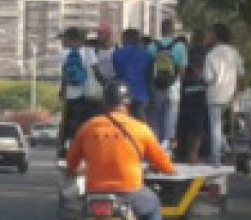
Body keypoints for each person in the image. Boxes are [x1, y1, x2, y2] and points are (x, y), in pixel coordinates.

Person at [66, 81, 176, 220]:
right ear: (127, 103)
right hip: (130, 191)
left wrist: (72, 169)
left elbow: (71, 161)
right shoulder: (140, 128)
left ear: (104, 103)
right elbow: (162, 162)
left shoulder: (87, 127)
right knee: (154, 206)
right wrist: (169, 169)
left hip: (94, 193)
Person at [202, 23, 244, 166]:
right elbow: (241, 73)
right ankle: (224, 147)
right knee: (223, 125)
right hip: (230, 93)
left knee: (215, 126)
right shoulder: (234, 52)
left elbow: (208, 78)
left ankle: (216, 158)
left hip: (215, 93)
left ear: (215, 36)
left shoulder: (211, 54)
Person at [59, 27, 102, 157]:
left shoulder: (64, 54)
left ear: (72, 39)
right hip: (88, 94)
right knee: (87, 122)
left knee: (71, 121)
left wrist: (62, 91)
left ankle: (69, 146)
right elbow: (96, 72)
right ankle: (88, 147)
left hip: (71, 95)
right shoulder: (89, 52)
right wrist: (104, 84)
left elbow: (64, 74)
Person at [148, 19, 188, 146]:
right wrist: (175, 81)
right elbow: (182, 70)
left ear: (161, 29)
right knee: (171, 115)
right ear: (173, 30)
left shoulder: (152, 46)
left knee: (155, 115)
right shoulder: (180, 46)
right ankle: (167, 144)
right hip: (173, 86)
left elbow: (149, 68)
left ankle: (155, 143)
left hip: (156, 85)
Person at [176, 29, 209, 163]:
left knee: (185, 123)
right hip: (201, 90)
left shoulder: (187, 51)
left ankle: (182, 152)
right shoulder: (208, 53)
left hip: (186, 90)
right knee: (198, 126)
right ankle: (193, 154)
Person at [112, 28, 152, 120]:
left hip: (122, 95)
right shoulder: (147, 55)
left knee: (123, 124)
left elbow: (118, 72)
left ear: (125, 39)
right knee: (140, 125)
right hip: (141, 95)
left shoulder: (117, 54)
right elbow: (148, 76)